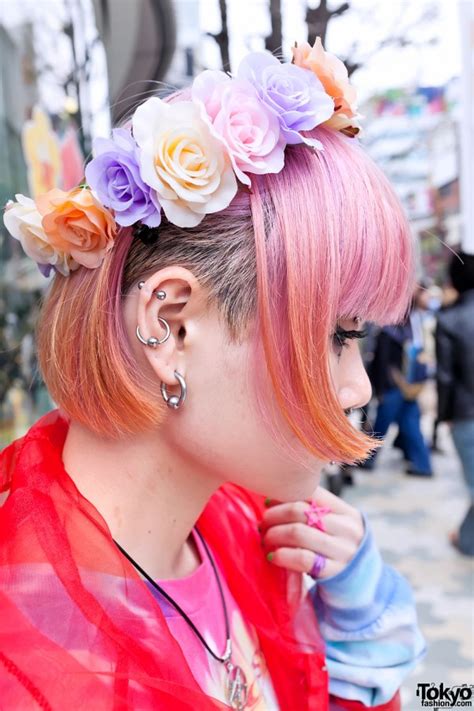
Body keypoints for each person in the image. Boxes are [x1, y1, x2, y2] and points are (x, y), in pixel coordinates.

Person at [0, 40, 426, 709]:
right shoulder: (30, 660)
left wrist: (354, 629)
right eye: (338, 336)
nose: (359, 388)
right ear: (170, 325)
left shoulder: (234, 523)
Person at [358, 288, 433, 477]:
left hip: (394, 387)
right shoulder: (410, 328)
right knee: (410, 422)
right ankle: (423, 465)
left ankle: (368, 459)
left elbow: (381, 364)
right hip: (408, 386)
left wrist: (379, 389)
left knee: (381, 425)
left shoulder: (389, 331)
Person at [435, 252, 474, 557]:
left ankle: (466, 540)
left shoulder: (448, 319)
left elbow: (446, 377)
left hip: (465, 414)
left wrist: (444, 415)